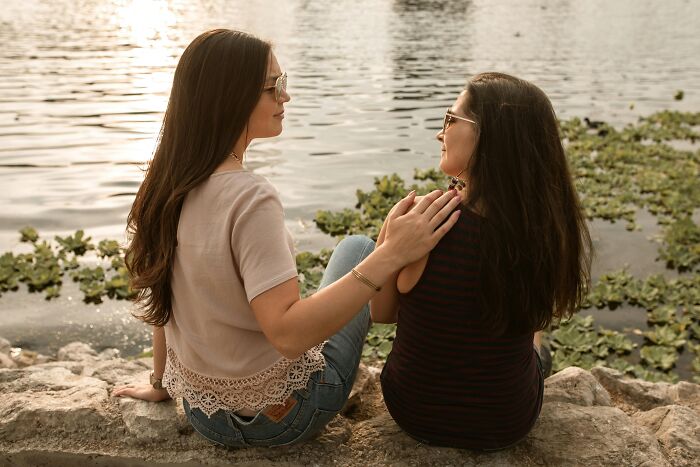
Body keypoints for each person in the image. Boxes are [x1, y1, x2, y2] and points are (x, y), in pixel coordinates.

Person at [111, 29, 462, 448]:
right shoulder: (250, 197)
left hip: (205, 414)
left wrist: (161, 381)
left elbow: (163, 294)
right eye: (275, 87)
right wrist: (392, 254)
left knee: (340, 261)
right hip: (283, 417)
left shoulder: (166, 184)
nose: (286, 97)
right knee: (360, 249)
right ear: (232, 97)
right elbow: (289, 336)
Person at [371, 72, 592, 450]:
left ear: (488, 135)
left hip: (414, 411)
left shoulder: (422, 222)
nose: (440, 133)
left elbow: (382, 312)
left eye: (449, 119)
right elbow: (538, 315)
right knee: (536, 341)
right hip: (506, 423)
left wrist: (387, 234)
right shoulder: (546, 229)